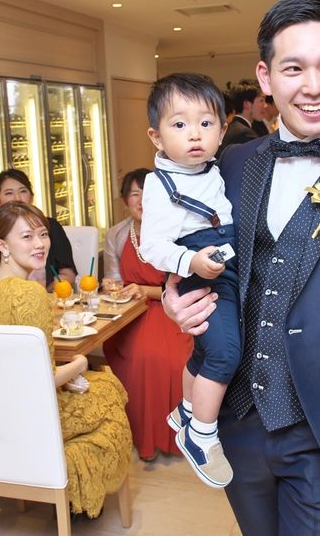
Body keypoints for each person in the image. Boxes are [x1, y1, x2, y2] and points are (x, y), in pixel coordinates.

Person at [162, 0, 320, 535]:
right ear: (267, 78)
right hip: (238, 420)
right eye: (293, 68)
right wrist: (174, 298)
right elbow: (191, 249)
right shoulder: (230, 163)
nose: (313, 86)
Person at [0, 201, 132, 518]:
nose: (40, 244)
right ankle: (76, 489)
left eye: (43, 235)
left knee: (99, 389)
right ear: (2, 245)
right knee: (110, 388)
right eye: (27, 237)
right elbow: (43, 380)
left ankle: (66, 483)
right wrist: (80, 364)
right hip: (34, 414)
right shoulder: (30, 294)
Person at [139, 73, 240, 488]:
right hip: (198, 268)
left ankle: (185, 408)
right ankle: (201, 435)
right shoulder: (159, 184)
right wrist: (190, 262)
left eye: (206, 123)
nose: (195, 134)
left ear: (222, 130)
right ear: (156, 137)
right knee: (224, 352)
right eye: (179, 124)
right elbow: (151, 247)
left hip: (222, 261)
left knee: (203, 350)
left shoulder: (211, 168)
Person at [102, 168, 193, 461]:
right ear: (125, 201)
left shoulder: (176, 233)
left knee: (167, 359)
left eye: (148, 194)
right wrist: (114, 287)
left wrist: (146, 290)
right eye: (134, 194)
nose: (141, 201)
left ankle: (173, 437)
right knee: (138, 355)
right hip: (132, 312)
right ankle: (142, 437)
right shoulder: (116, 235)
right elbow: (113, 280)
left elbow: (184, 283)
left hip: (171, 307)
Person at [0, 169, 77, 291]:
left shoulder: (50, 225)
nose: (17, 198)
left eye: (23, 191)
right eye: (9, 193)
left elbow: (68, 273)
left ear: (31, 197)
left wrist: (42, 292)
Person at [219, 79, 266, 152]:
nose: (265, 105)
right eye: (261, 100)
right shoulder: (245, 134)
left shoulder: (232, 127)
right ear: (247, 104)